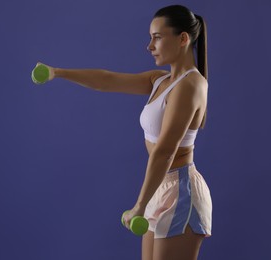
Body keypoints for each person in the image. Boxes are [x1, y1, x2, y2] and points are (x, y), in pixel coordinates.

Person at [36, 4, 212, 260]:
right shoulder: (160, 81)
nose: (149, 46)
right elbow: (106, 80)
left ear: (183, 38)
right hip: (159, 187)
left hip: (180, 191)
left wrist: (139, 205)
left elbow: (165, 151)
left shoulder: (192, 84)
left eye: (157, 37)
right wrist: (58, 72)